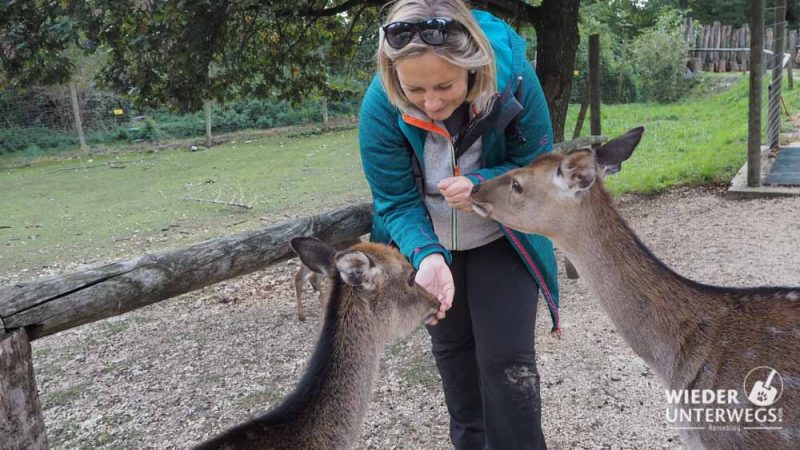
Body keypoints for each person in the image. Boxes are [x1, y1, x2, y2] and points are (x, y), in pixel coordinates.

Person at [359, 1, 560, 448]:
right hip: (426, 246)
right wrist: (427, 255)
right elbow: (394, 199)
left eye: (445, 85)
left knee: (508, 363)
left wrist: (483, 184)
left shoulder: (517, 83)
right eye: (414, 90)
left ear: (473, 66)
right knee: (454, 357)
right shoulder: (379, 105)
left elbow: (536, 166)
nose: (431, 103)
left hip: (501, 236)